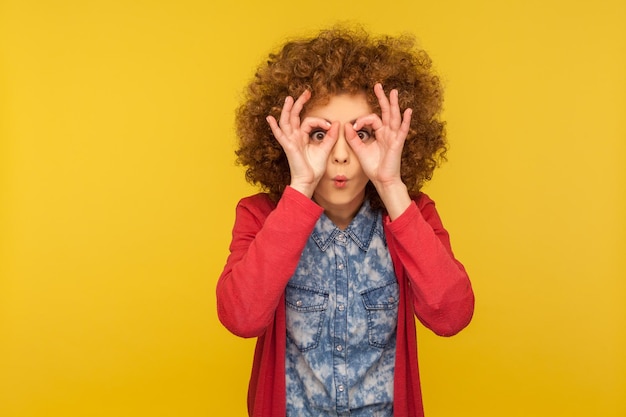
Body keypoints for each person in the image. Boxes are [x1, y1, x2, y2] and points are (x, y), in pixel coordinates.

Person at [216, 26, 474, 417]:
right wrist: (300, 185)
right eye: (318, 133)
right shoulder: (261, 216)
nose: (340, 155)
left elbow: (452, 316)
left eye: (364, 133)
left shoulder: (412, 214)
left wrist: (391, 184)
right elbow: (241, 317)